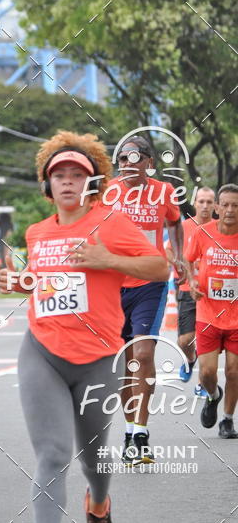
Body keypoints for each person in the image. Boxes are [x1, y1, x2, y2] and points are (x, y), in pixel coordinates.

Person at [0, 130, 167, 523]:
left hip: (97, 360)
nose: (68, 182)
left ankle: (99, 504)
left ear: (92, 184)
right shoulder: (37, 232)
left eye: (78, 175)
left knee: (93, 458)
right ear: (46, 186)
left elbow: (159, 268)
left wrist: (106, 258)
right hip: (43, 352)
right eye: (60, 176)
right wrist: (21, 282)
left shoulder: (110, 223)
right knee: (52, 454)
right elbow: (48, 283)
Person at [105, 137, 184, 464]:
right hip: (111, 283)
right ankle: (130, 430)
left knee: (142, 351)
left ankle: (141, 430)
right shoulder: (107, 191)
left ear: (149, 162)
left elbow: (175, 222)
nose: (126, 163)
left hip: (150, 281)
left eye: (134, 157)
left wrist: (178, 256)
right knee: (123, 361)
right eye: (121, 158)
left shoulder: (164, 192)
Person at [185, 184, 238, 439]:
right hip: (208, 313)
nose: (230, 210)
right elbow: (188, 259)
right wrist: (193, 283)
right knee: (207, 373)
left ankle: (227, 421)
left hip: (237, 317)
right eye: (225, 205)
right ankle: (213, 395)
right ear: (217, 207)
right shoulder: (203, 233)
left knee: (233, 371)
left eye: (235, 205)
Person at [165, 187, 215, 385]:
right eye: (201, 201)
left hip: (214, 295)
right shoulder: (184, 227)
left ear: (215, 205)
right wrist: (179, 266)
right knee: (185, 341)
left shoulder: (221, 228)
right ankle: (190, 359)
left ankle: (205, 383)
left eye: (209, 202)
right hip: (188, 290)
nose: (204, 206)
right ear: (194, 203)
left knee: (206, 341)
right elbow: (169, 251)